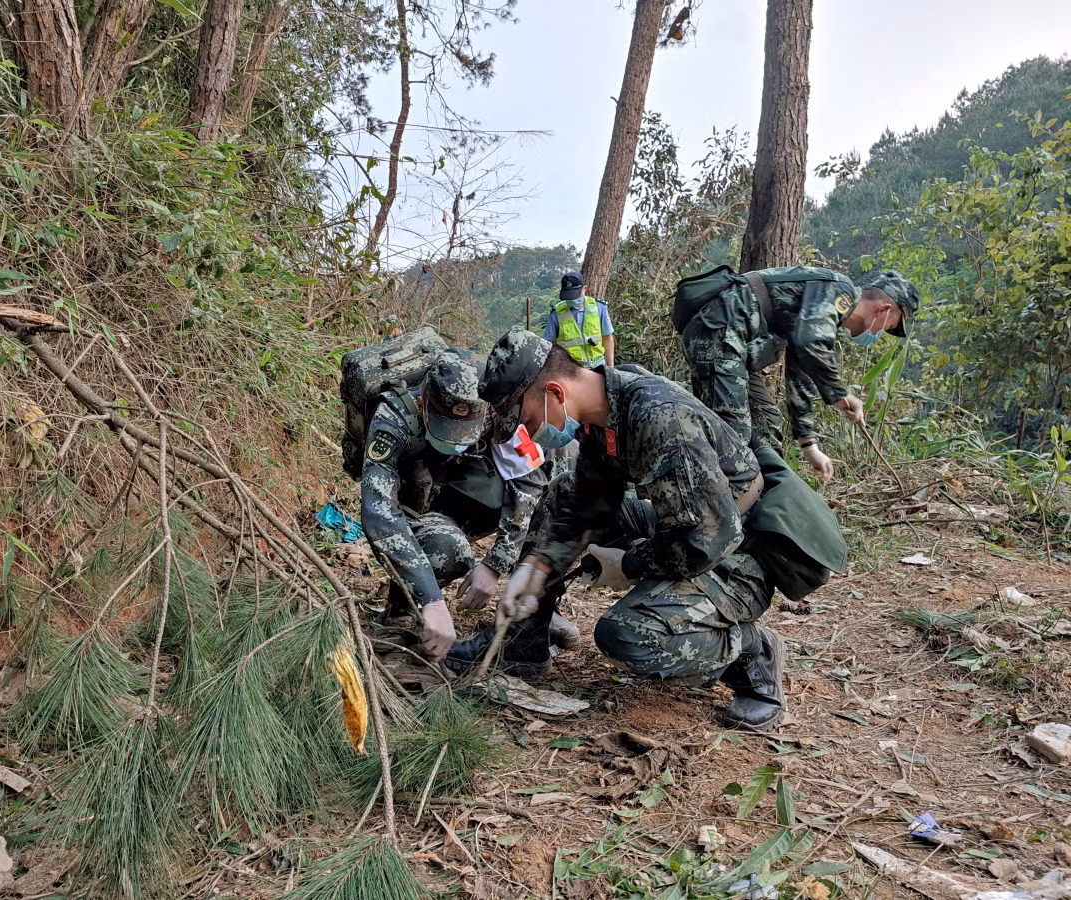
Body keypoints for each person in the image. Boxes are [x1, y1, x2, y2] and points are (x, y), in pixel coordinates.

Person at [451, 328, 846, 731]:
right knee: (564, 493)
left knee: (628, 635)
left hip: (740, 552)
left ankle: (751, 652)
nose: (529, 432)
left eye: (527, 419)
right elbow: (590, 502)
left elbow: (703, 541)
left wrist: (628, 563)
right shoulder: (604, 409)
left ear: (554, 393)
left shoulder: (659, 417)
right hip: (686, 524)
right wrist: (536, 568)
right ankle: (523, 642)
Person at [359, 347, 576, 661]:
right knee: (445, 549)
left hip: (466, 491)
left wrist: (494, 566)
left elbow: (528, 483)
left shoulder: (495, 406)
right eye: (446, 431)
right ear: (422, 405)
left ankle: (529, 615)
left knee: (556, 490)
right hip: (419, 506)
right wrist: (431, 600)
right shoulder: (393, 419)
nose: (456, 441)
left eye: (464, 434)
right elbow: (379, 513)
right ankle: (404, 605)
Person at [676, 267, 919, 480]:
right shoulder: (839, 290)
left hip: (733, 345)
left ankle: (767, 504)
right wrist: (840, 395)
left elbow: (800, 369)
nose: (882, 332)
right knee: (733, 438)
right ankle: (713, 513)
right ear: (884, 309)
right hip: (718, 334)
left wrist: (809, 444)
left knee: (767, 425)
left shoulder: (824, 314)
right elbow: (809, 343)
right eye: (890, 326)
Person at [544, 271, 616, 369]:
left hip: (598, 367)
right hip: (570, 370)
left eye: (575, 294)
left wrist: (611, 367)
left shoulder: (599, 307)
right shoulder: (556, 313)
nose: (572, 298)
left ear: (584, 289)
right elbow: (549, 344)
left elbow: (607, 337)